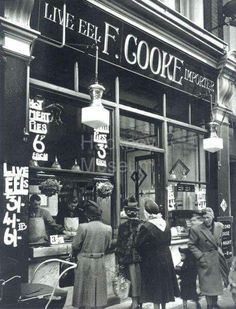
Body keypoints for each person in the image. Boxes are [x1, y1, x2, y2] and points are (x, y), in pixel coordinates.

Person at [136, 198, 179, 309]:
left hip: (152, 260)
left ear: (147, 212)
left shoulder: (146, 226)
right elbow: (168, 241)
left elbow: (138, 244)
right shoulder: (166, 224)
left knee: (155, 289)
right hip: (166, 257)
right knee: (164, 286)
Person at [72, 200, 112, 309]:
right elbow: (108, 246)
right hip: (99, 260)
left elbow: (75, 246)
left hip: (85, 260)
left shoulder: (83, 227)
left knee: (83, 290)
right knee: (98, 289)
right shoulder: (108, 228)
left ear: (87, 215)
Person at [188, 207, 228, 309]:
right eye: (204, 218)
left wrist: (220, 252)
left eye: (208, 217)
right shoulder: (196, 229)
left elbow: (219, 241)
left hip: (217, 260)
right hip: (205, 261)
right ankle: (209, 306)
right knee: (207, 288)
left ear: (213, 217)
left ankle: (213, 304)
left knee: (216, 287)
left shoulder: (220, 226)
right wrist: (200, 257)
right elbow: (191, 245)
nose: (206, 220)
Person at [116, 196, 142, 309]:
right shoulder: (143, 225)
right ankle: (138, 302)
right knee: (138, 280)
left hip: (129, 257)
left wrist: (119, 259)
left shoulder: (122, 227)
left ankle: (135, 303)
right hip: (141, 257)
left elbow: (119, 244)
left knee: (132, 280)